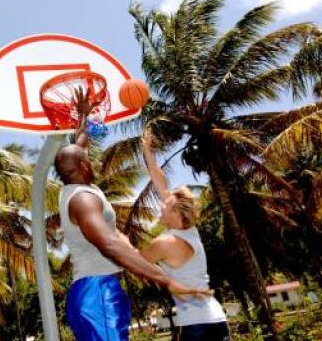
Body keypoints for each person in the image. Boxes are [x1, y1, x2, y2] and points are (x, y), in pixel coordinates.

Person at [56, 89, 211, 341]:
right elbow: (109, 244)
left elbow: (80, 143)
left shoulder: (75, 185)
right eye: (88, 159)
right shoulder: (83, 200)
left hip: (96, 291)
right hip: (98, 293)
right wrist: (165, 280)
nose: (92, 160)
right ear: (83, 166)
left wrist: (83, 116)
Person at [140, 129, 231, 341]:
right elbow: (161, 184)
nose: (161, 205)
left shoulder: (166, 243)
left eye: (165, 204)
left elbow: (136, 262)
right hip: (217, 319)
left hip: (194, 325)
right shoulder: (190, 231)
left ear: (176, 213)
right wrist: (148, 152)